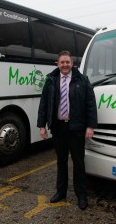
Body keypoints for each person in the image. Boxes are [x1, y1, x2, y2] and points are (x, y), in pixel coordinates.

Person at [37, 51, 98, 210]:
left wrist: (90, 126)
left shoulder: (82, 80)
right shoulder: (51, 80)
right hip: (58, 127)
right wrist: (42, 126)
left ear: (72, 64)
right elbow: (44, 104)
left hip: (76, 127)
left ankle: (81, 195)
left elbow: (90, 104)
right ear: (57, 63)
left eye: (67, 62)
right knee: (61, 162)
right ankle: (60, 192)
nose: (65, 65)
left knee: (78, 163)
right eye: (62, 62)